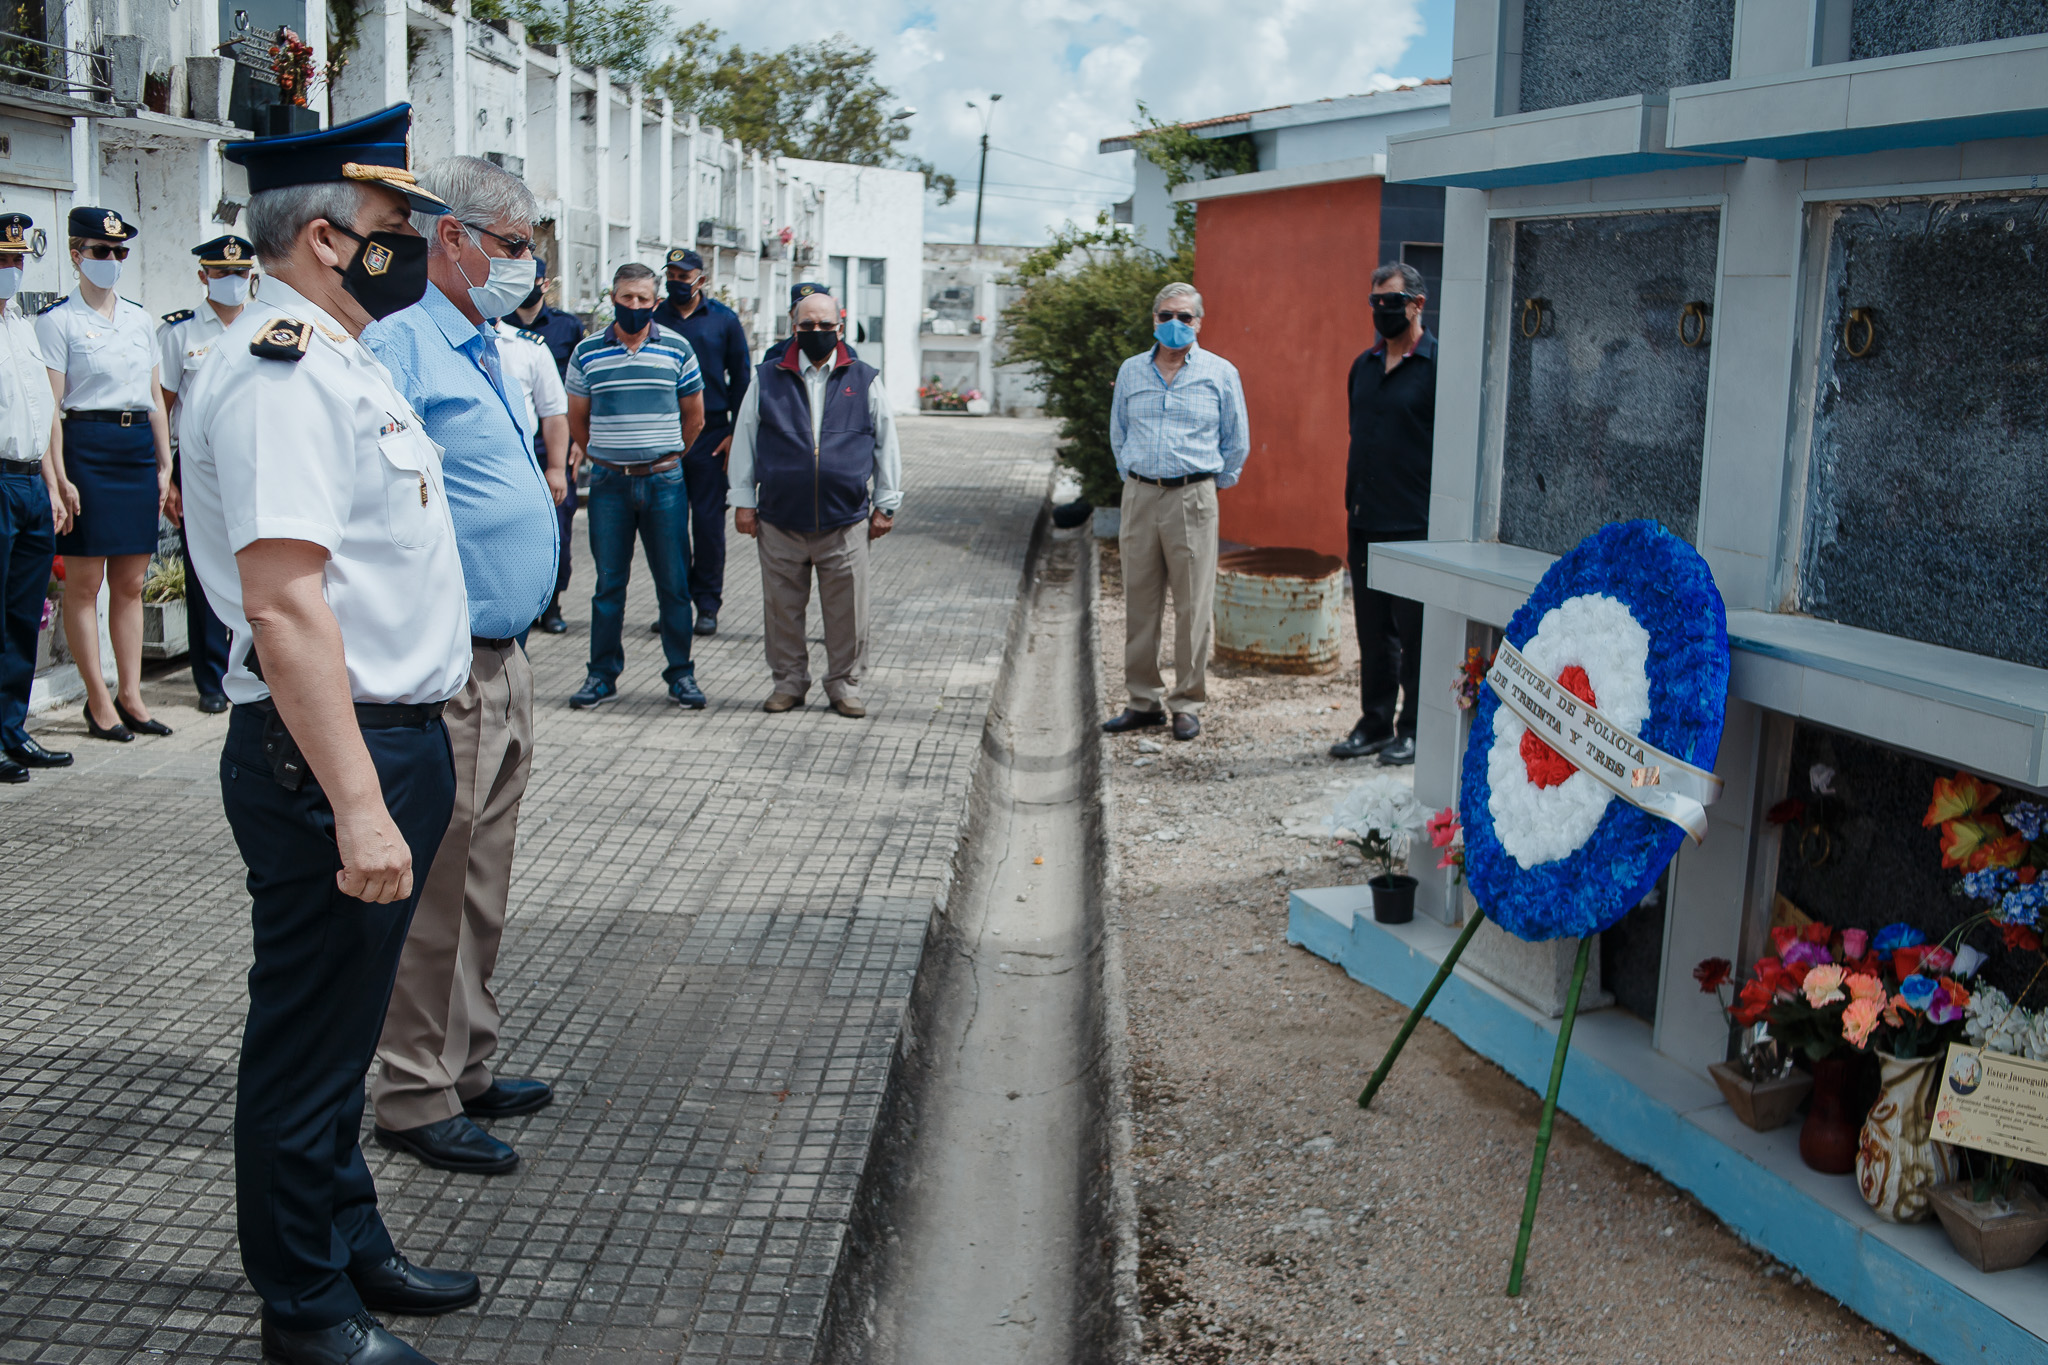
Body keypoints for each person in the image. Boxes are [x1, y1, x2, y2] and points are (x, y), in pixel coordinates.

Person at [181, 103, 480, 1365]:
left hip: (387, 737)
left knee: (344, 1031)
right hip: (330, 751)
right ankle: (304, 1307)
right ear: (323, 237)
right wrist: (358, 802)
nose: (408, 246)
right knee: (306, 1047)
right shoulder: (281, 372)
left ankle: (350, 1241)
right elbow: (285, 603)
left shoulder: (344, 358)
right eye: (392, 226)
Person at [359, 156, 561, 1178]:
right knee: (438, 888)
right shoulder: (399, 347)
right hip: (448, 668)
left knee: (484, 879)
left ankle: (468, 1061)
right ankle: (413, 1091)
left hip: (506, 658)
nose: (527, 266)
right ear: (453, 237)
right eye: (514, 247)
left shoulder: (486, 345)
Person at [727, 282, 900, 718]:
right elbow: (745, 440)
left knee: (849, 612)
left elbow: (886, 442)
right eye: (808, 325)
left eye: (825, 325)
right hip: (780, 520)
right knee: (782, 610)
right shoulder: (767, 377)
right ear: (794, 327)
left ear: (840, 327)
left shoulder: (864, 378)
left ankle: (845, 685)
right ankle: (788, 683)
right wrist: (743, 501)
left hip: (845, 521)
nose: (816, 332)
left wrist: (886, 503)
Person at [38, 207, 175, 743]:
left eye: (120, 251)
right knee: (85, 583)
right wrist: (59, 475)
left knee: (131, 582)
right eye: (101, 251)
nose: (112, 260)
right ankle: (97, 701)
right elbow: (51, 408)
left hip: (135, 449)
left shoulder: (140, 319)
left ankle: (131, 695)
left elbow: (154, 397)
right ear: (77, 255)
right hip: (87, 448)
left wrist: (164, 463)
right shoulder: (58, 321)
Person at [1101, 282, 1248, 744]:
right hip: (1141, 495)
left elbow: (1236, 440)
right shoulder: (1131, 371)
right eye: (1166, 315)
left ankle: (1186, 702)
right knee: (1139, 603)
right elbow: (1119, 432)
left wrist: (1205, 486)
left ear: (1198, 322)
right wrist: (1134, 478)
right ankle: (1142, 701)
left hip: (1193, 498)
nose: (1175, 324)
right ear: (1154, 320)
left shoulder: (1220, 372)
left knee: (1192, 606)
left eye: (1185, 317)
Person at [563, 262, 706, 710]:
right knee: (608, 585)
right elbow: (577, 419)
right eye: (627, 297)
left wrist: (667, 456)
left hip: (665, 482)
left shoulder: (678, 349)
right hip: (609, 484)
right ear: (613, 299)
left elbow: (695, 417)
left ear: (656, 302)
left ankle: (681, 675)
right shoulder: (587, 352)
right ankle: (601, 676)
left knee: (674, 584)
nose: (635, 305)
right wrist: (607, 453)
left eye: (644, 298)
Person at [1329, 264, 1435, 767]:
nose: (1381, 312)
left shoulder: (1437, 367)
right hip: (1365, 518)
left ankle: (1412, 729)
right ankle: (1373, 723)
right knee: (1373, 634)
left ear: (1417, 305)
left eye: (1390, 303)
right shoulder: (1364, 366)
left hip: (1414, 524)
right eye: (1374, 303)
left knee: (1414, 636)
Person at [158, 233, 258, 714]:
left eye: (241, 273)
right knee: (203, 571)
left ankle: (256, 665)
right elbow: (163, 408)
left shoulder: (268, 325)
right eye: (222, 273)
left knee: (259, 564)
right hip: (199, 465)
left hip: (257, 461)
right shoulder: (180, 333)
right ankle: (212, 678)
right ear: (204, 276)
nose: (233, 281)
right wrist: (169, 479)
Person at [0, 212, 73, 782]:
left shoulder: (23, 326)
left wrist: (52, 483)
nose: (12, 269)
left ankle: (11, 727)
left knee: (23, 615)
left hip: (28, 482)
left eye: (17, 259)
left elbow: (42, 412)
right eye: (3, 260)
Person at [651, 247, 749, 636]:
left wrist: (735, 435)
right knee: (668, 527)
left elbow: (741, 380)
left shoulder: (724, 320)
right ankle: (673, 605)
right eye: (671, 276)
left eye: (684, 276)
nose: (677, 282)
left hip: (711, 437)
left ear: (701, 280)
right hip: (666, 433)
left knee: (708, 526)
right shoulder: (655, 318)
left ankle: (707, 605)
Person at [507, 256, 583, 634]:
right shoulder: (499, 326)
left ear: (545, 283)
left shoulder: (568, 326)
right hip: (517, 447)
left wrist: (577, 441)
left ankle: (552, 604)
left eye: (533, 280)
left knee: (558, 528)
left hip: (555, 443)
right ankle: (525, 603)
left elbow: (579, 389)